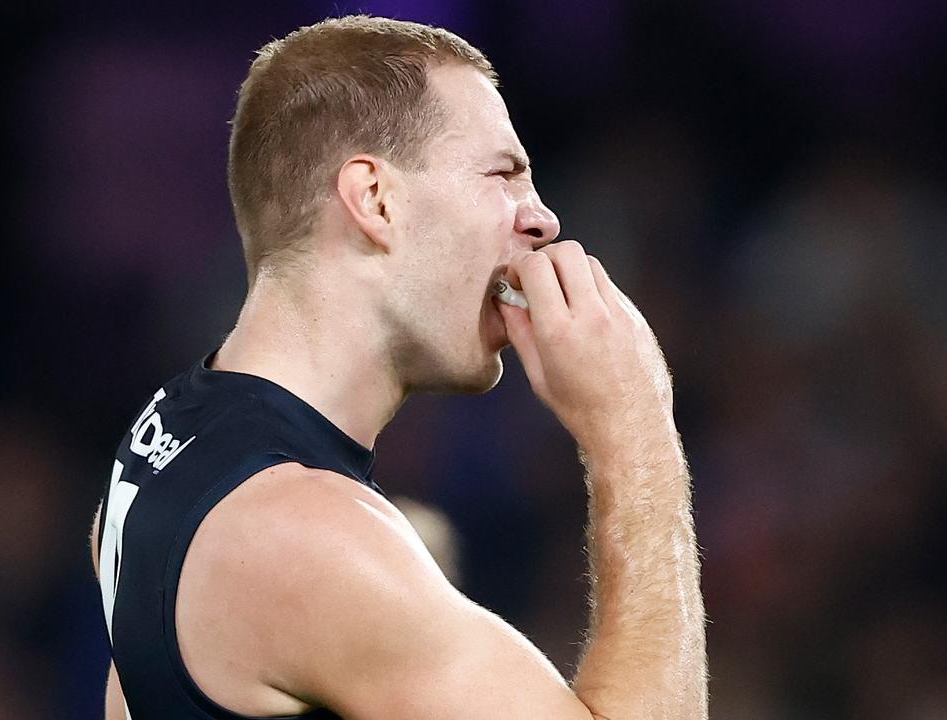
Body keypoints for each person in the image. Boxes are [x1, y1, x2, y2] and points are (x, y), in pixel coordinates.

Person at [90, 15, 706, 720]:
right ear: (375, 200)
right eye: (503, 175)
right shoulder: (308, 540)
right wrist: (632, 432)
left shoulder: (166, 428)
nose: (542, 221)